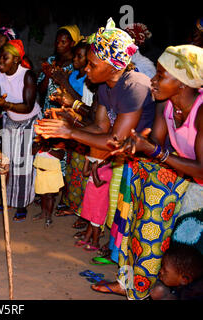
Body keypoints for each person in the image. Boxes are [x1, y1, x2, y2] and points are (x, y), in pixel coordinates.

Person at [34, 17, 157, 297]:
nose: (87, 70)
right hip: (129, 165)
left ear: (113, 65)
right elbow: (100, 127)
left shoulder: (135, 85)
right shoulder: (105, 86)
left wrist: (70, 133)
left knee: (144, 230)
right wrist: (68, 126)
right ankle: (128, 283)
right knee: (127, 227)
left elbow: (116, 139)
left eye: (92, 64)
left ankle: (144, 288)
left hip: (152, 167)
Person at [90, 44, 203, 299]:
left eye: (161, 76)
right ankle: (130, 283)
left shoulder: (201, 111)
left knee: (180, 254)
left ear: (183, 83)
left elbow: (199, 167)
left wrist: (153, 151)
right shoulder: (167, 105)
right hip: (186, 179)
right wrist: (128, 149)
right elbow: (157, 146)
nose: (153, 81)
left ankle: (152, 288)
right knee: (136, 215)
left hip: (198, 187)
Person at [0, 39, 41, 221]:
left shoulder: (28, 76)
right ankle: (7, 200)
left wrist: (5, 104)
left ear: (17, 60)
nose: (0, 61)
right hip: (10, 121)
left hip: (29, 121)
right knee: (7, 163)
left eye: (5, 58)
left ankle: (21, 204)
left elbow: (27, 107)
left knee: (22, 166)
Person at [37, 24, 83, 112]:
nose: (58, 45)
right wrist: (47, 76)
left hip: (68, 113)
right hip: (48, 110)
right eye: (57, 42)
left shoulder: (76, 65)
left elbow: (79, 97)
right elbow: (40, 91)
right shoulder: (51, 61)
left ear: (72, 43)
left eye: (63, 42)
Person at [32, 138, 65, 227]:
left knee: (49, 196)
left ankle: (49, 217)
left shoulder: (59, 146)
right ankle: (43, 213)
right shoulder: (39, 144)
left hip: (52, 175)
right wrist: (40, 145)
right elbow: (32, 151)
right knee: (42, 195)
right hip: (40, 173)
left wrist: (49, 149)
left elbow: (61, 156)